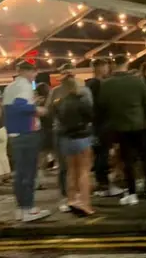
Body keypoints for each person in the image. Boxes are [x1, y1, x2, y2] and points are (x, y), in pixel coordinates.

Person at [98, 55, 146, 205]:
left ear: (114, 64)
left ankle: (132, 193)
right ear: (127, 63)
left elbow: (101, 107)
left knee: (127, 160)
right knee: (145, 157)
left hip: (119, 126)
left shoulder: (106, 84)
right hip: (139, 124)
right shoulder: (137, 81)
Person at [3, 62, 50, 222]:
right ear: (29, 71)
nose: (35, 76)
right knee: (29, 173)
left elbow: (11, 108)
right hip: (27, 133)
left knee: (20, 174)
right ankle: (29, 209)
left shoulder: (10, 87)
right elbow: (20, 106)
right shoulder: (25, 86)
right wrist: (38, 110)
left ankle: (21, 209)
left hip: (15, 134)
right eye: (35, 73)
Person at [53, 75, 95, 216]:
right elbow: (90, 116)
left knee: (71, 171)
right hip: (81, 137)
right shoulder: (82, 102)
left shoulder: (58, 103)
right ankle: (85, 203)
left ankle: (71, 199)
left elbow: (57, 118)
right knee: (84, 171)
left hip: (66, 138)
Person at [86, 58, 123, 197]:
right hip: (101, 124)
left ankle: (103, 183)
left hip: (98, 124)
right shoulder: (96, 84)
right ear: (100, 67)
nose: (108, 69)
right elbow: (99, 105)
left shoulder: (91, 84)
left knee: (101, 154)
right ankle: (104, 185)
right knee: (102, 154)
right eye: (106, 66)